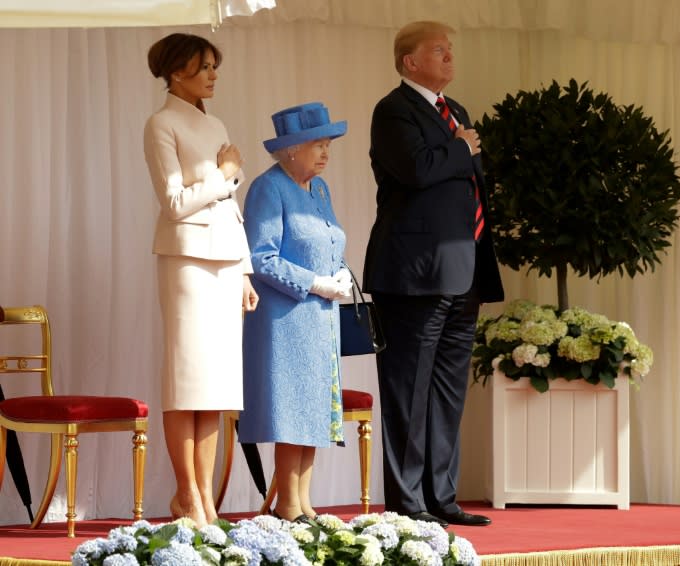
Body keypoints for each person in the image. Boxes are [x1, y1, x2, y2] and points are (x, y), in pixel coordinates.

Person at [362, 21, 505, 527]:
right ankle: (408, 502)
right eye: (438, 51)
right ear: (410, 62)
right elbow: (418, 171)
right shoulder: (393, 110)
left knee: (447, 392)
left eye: (451, 50)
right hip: (413, 276)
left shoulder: (457, 112)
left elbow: (469, 191)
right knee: (408, 389)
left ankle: (441, 497)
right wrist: (461, 146)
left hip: (462, 272)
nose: (449, 58)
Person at [143, 33, 258, 527]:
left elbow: (229, 206)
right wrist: (225, 172)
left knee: (216, 387)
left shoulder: (216, 122)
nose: (213, 74)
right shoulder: (161, 124)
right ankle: (187, 494)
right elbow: (173, 203)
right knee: (186, 380)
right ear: (175, 72)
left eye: (215, 65)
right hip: (187, 260)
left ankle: (205, 498)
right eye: (204, 66)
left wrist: (246, 269)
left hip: (226, 260)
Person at [238, 102, 352, 523]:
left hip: (321, 318)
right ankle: (288, 503)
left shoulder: (318, 190)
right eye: (316, 145)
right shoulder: (268, 188)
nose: (325, 153)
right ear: (289, 150)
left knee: (317, 408)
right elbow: (260, 257)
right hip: (284, 319)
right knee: (292, 408)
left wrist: (339, 273)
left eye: (327, 145)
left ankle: (304, 501)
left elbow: (330, 241)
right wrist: (314, 283)